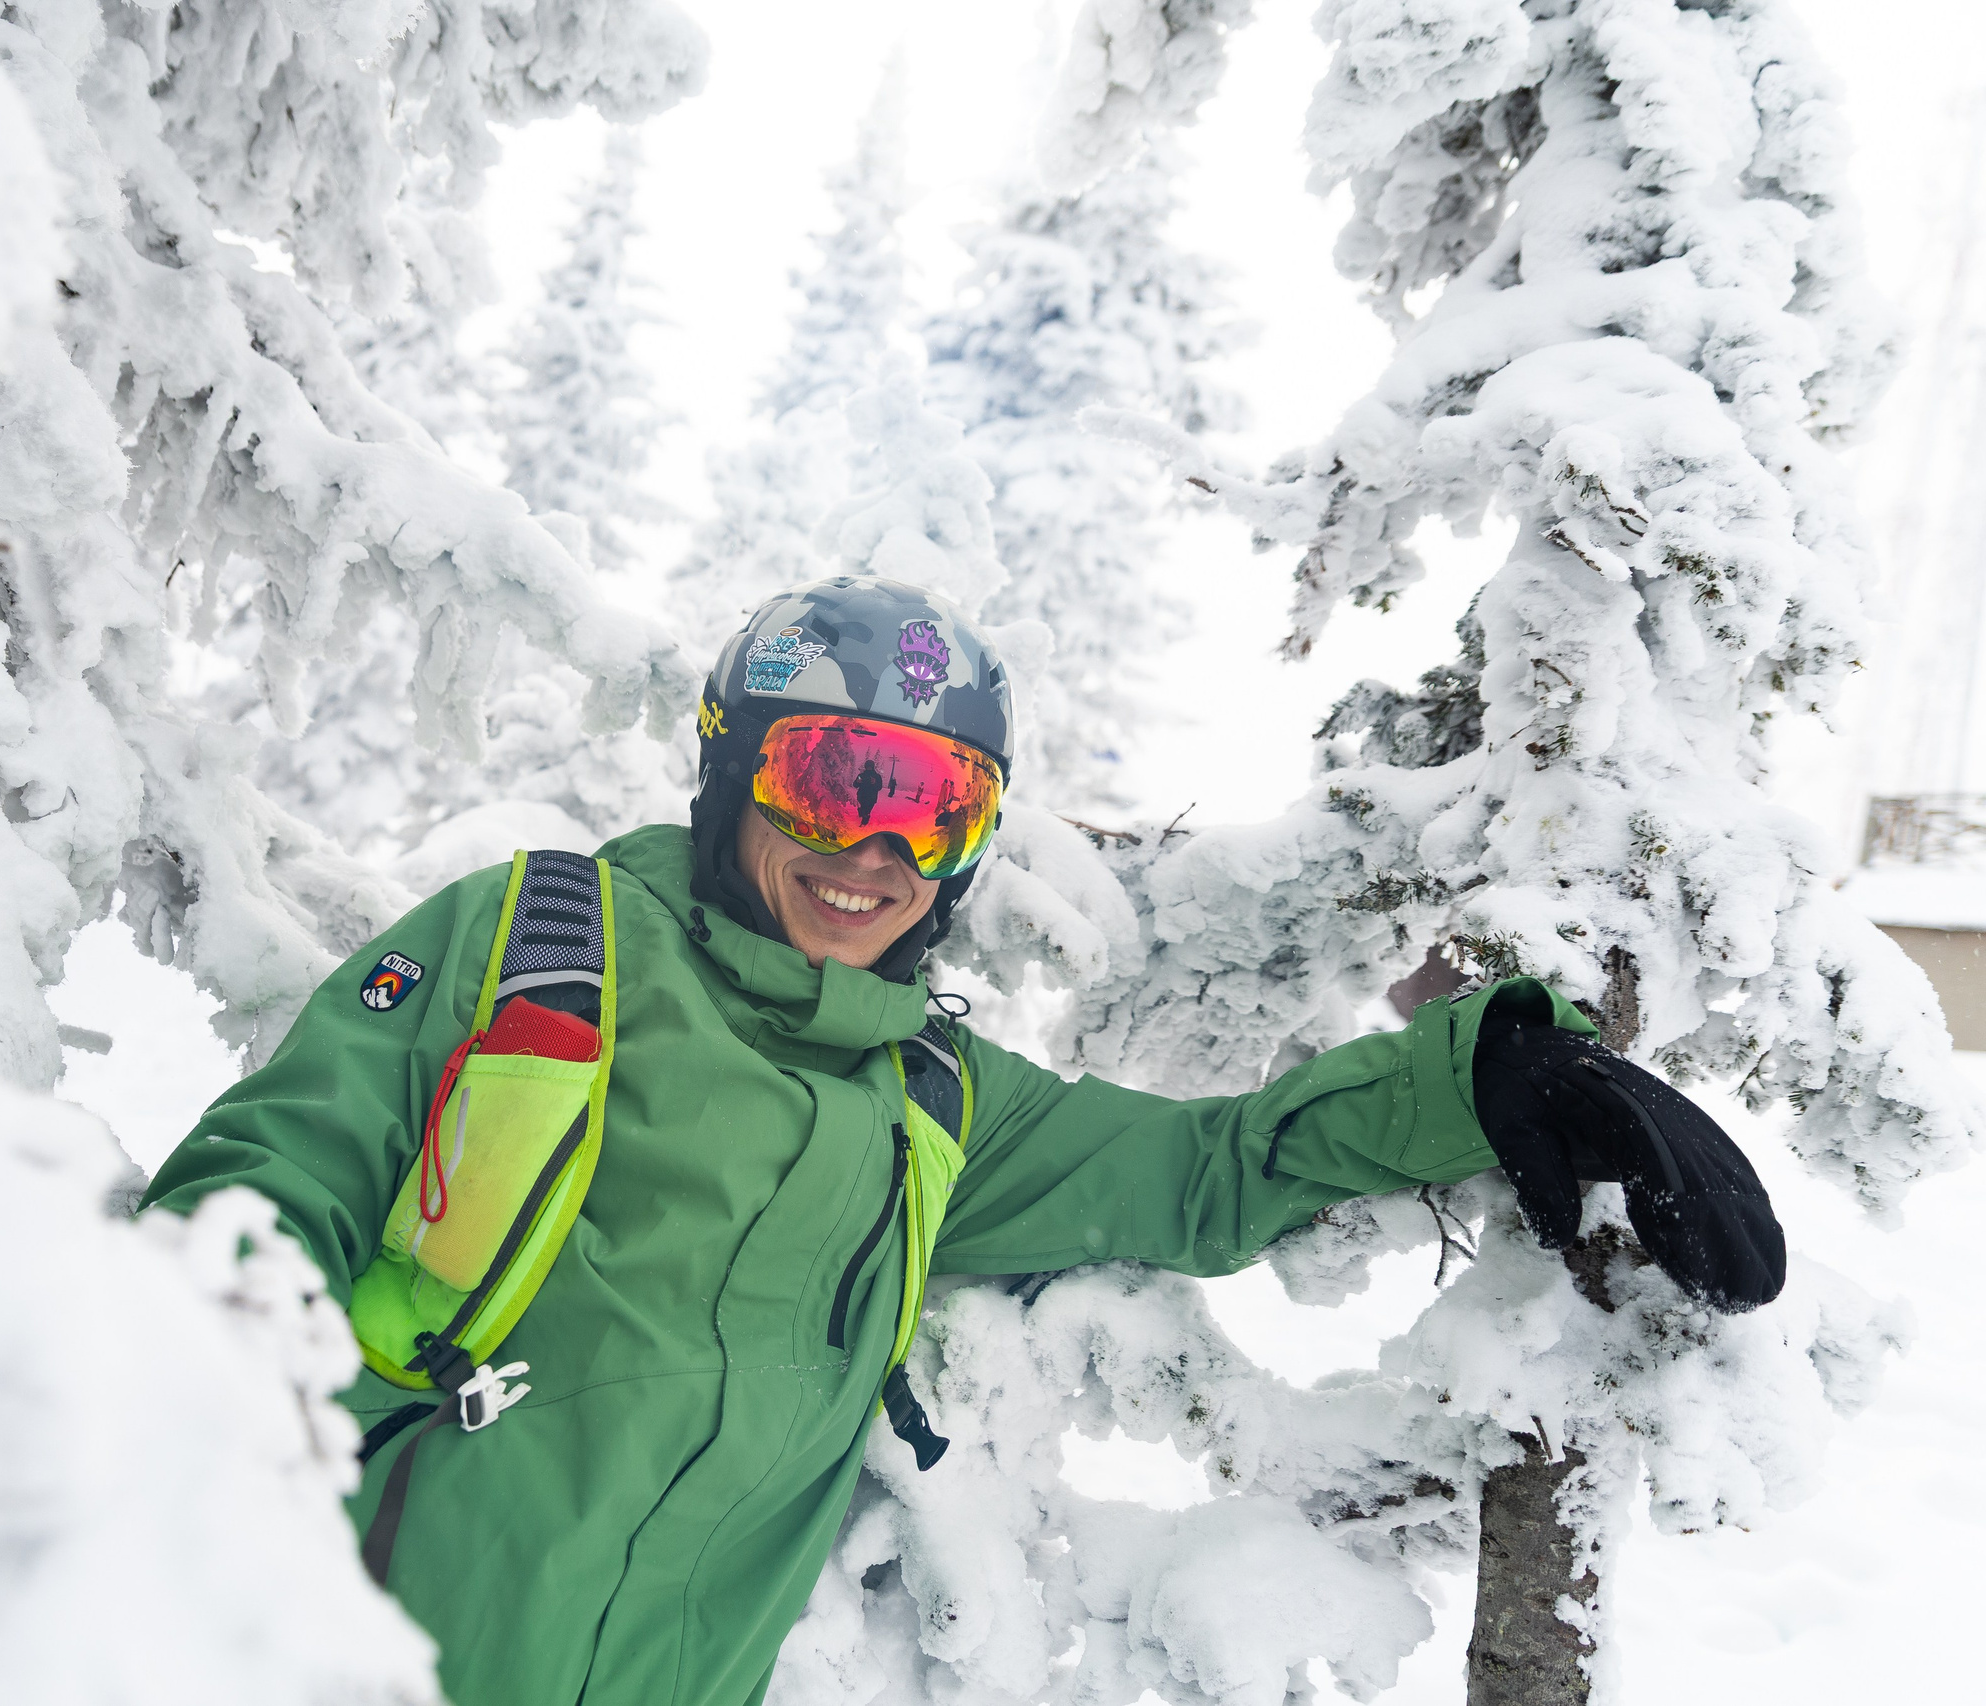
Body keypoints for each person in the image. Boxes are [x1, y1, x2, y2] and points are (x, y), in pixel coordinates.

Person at [140, 576, 1784, 1706]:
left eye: (933, 808)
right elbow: (257, 1193)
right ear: (728, 778)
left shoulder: (932, 1099)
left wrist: (1488, 1080)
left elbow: (1203, 1170)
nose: (873, 851)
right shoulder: (537, 941)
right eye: (831, 779)